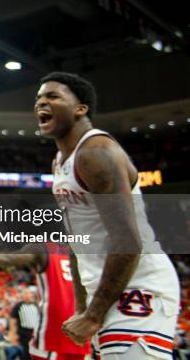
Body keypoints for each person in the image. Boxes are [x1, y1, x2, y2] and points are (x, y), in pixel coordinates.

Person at [34, 71, 180, 359]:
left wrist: (93, 312)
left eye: (52, 96)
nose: (41, 103)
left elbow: (128, 241)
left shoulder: (96, 152)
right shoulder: (60, 162)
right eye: (38, 98)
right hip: (104, 292)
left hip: (138, 286)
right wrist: (81, 306)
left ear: (80, 109)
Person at [0, 243, 91, 359]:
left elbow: (9, 259)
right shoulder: (81, 252)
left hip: (57, 330)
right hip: (77, 329)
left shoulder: (46, 248)